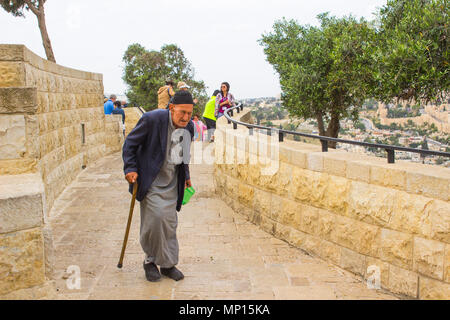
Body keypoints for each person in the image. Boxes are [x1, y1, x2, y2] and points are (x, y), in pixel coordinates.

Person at [122, 90, 195, 283]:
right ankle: (150, 261)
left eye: (189, 113)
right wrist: (130, 168)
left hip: (172, 180)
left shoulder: (189, 128)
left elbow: (184, 156)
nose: (186, 117)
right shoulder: (152, 119)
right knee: (155, 220)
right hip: (151, 179)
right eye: (182, 112)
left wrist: (186, 175)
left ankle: (168, 265)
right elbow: (130, 144)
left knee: (169, 223)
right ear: (171, 108)